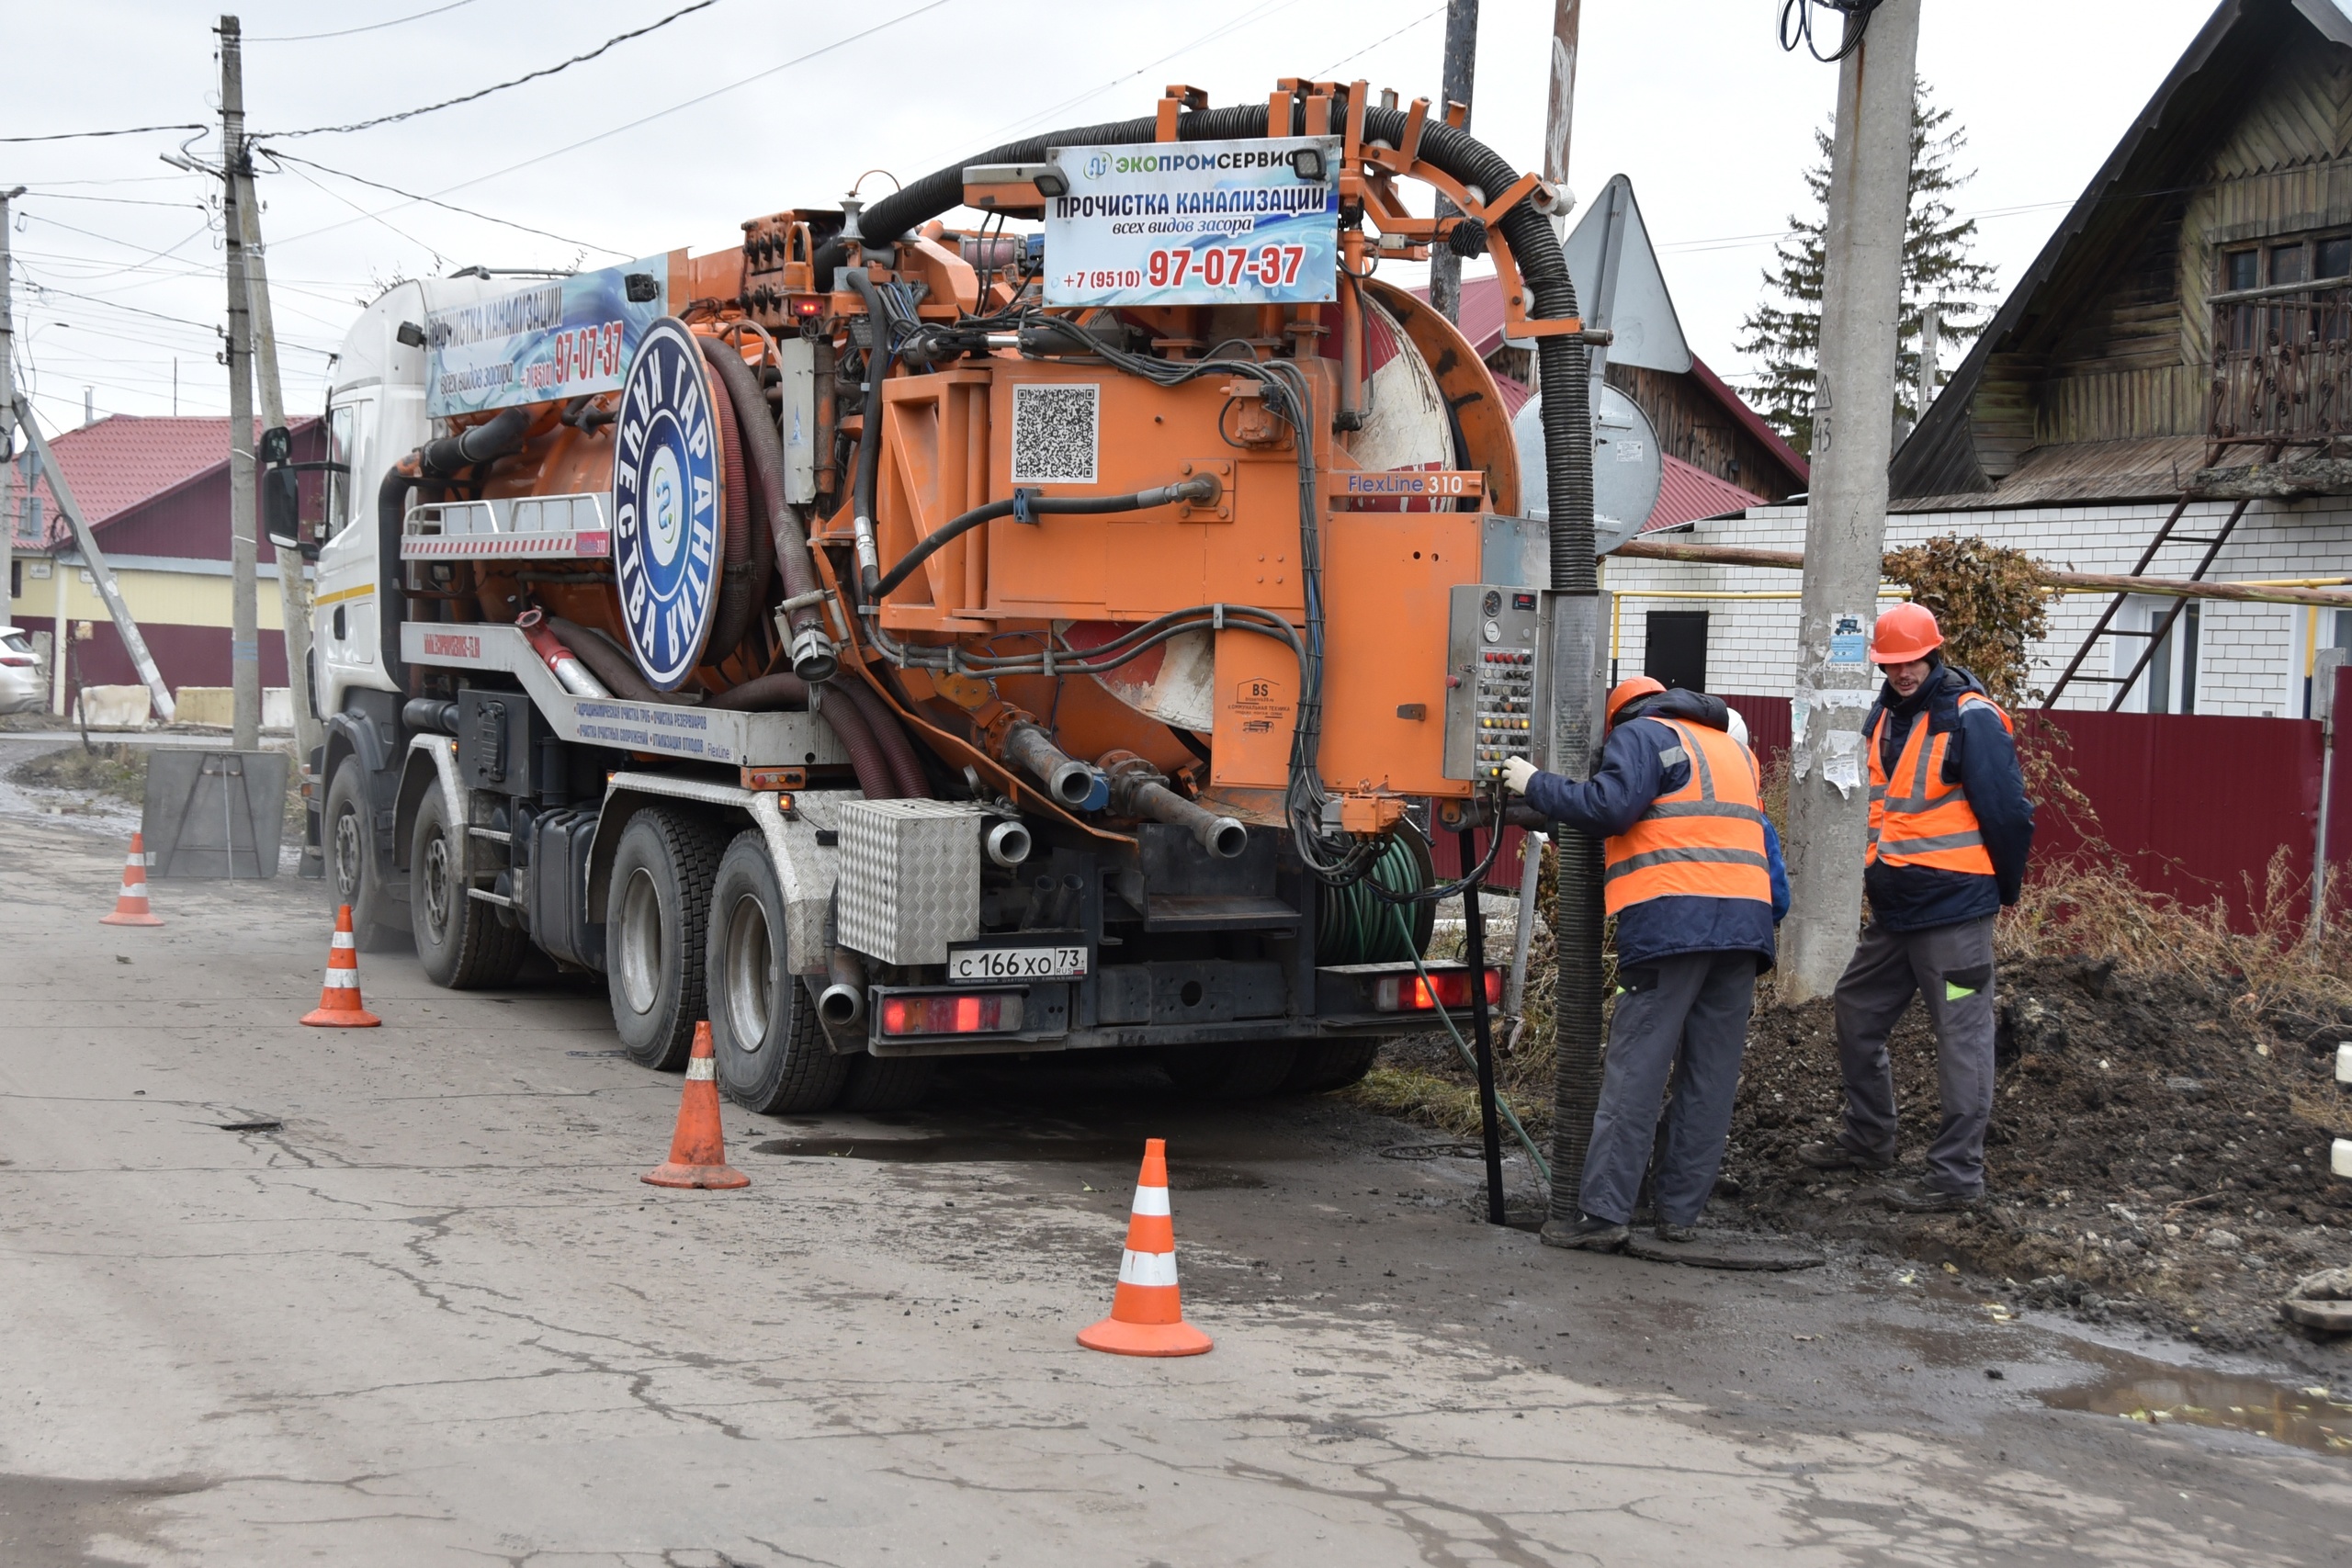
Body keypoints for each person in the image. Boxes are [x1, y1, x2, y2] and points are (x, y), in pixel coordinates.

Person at [1501, 678, 1789, 1251]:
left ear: (1618, 720)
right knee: (1708, 1078)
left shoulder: (1640, 736)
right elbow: (1683, 827)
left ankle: (1605, 1215)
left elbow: (1610, 807)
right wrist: (1544, 813)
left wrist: (1536, 783)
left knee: (1637, 1071)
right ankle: (1678, 1215)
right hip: (1744, 933)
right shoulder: (1731, 751)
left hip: (1674, 927)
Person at [1798, 604, 2034, 1213]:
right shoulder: (1885, 716)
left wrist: (1999, 892)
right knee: (1854, 1008)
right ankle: (1870, 1135)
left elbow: (2009, 815)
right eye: (1892, 662)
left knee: (1961, 1035)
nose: (1902, 671)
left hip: (1955, 918)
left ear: (1934, 652)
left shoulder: (1971, 719)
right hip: (1898, 916)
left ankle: (1956, 1175)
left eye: (1911, 660)